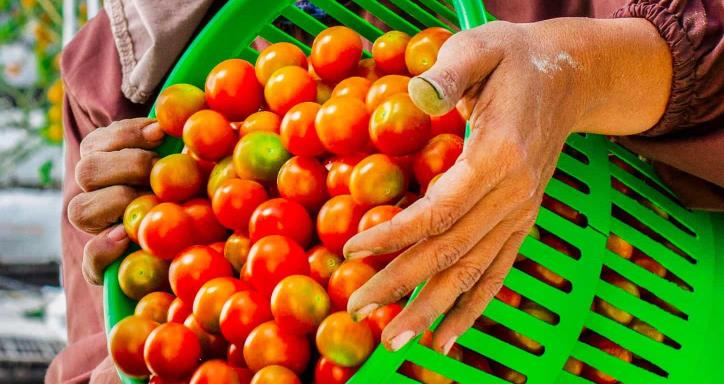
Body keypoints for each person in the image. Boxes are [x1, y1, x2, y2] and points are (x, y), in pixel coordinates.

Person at [49, 0, 722, 382]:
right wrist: (127, 364)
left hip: (659, 316)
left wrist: (585, 70)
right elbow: (95, 354)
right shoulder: (118, 68)